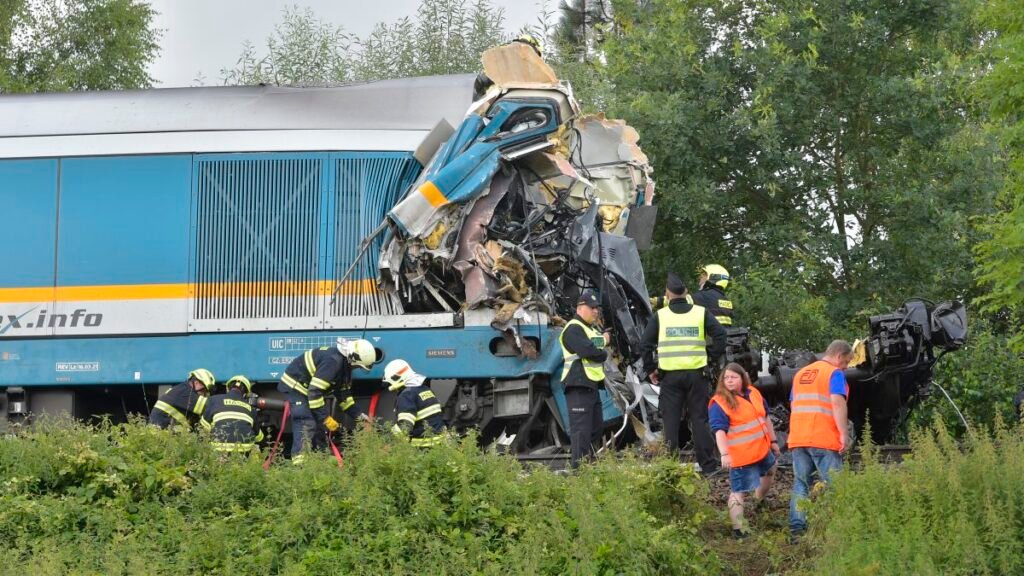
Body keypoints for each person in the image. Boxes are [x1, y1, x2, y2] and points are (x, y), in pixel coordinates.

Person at [640, 272, 727, 474]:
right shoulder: (700, 313)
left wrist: (651, 368)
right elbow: (721, 336)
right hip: (697, 375)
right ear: (686, 292)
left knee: (670, 421)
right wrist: (710, 356)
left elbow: (645, 344)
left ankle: (670, 467)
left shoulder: (660, 316)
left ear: (667, 294)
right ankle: (708, 466)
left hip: (670, 377)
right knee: (699, 419)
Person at [787, 339, 855, 537]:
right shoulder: (833, 373)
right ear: (839, 356)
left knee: (801, 483)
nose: (846, 367)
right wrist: (844, 434)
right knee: (836, 485)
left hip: (799, 437)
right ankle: (840, 529)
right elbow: (837, 403)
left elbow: (794, 405)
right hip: (823, 437)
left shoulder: (801, 374)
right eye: (846, 362)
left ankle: (797, 530)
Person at [277, 338, 378, 464]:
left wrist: (360, 417)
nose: (356, 369)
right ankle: (300, 464)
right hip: (296, 386)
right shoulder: (333, 362)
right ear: (352, 358)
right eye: (358, 366)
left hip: (308, 389)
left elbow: (344, 398)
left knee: (319, 425)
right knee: (306, 420)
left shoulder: (343, 367)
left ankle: (321, 458)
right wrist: (325, 418)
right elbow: (314, 392)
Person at [709, 363, 780, 538]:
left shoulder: (753, 393)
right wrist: (725, 454)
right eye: (726, 378)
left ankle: (759, 501)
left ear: (743, 378)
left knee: (770, 470)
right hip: (741, 455)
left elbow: (765, 418)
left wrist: (773, 441)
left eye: (733, 377)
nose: (729, 381)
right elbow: (719, 431)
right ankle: (738, 530)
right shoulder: (720, 403)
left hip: (761, 449)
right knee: (738, 491)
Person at [559, 288, 611, 468]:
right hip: (578, 385)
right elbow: (589, 350)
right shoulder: (573, 328)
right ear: (580, 307)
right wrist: (602, 353)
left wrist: (601, 344)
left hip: (590, 385)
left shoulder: (588, 329)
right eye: (592, 307)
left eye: (597, 308)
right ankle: (579, 472)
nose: (596, 311)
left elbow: (594, 343)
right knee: (581, 432)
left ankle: (588, 467)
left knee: (595, 429)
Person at [382, 359, 446, 447]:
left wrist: (386, 442)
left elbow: (405, 426)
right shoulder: (426, 389)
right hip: (440, 445)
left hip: (422, 449)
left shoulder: (407, 395)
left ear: (396, 378)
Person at [200, 375, 264, 454]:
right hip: (243, 450)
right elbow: (258, 437)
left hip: (218, 448)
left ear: (227, 389)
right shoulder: (251, 409)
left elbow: (204, 426)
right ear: (245, 394)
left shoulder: (213, 400)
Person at [149, 368, 216, 429]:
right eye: (204, 390)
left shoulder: (182, 389)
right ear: (196, 383)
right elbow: (210, 406)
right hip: (161, 433)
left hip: (164, 432)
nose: (204, 394)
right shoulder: (185, 393)